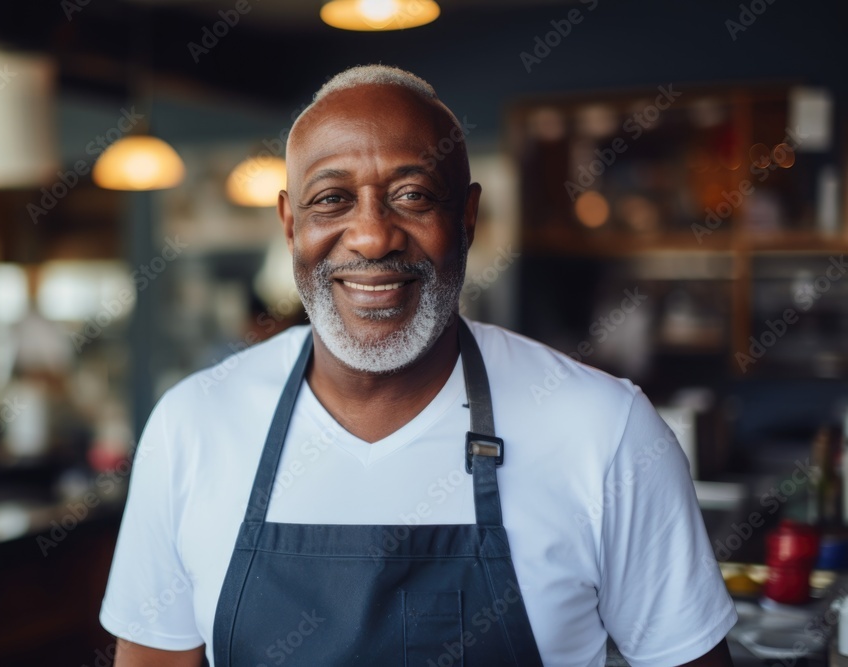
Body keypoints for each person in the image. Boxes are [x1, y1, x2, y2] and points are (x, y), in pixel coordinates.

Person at [99, 64, 737, 667]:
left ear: (466, 216)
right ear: (290, 224)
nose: (373, 236)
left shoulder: (604, 430)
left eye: (412, 194)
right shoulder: (192, 426)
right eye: (332, 199)